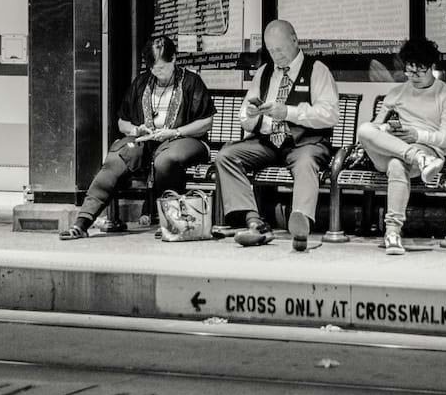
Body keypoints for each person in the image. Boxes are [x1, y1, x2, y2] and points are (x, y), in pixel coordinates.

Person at [61, 37, 216, 240]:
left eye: (162, 68)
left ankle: (170, 220)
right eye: (153, 68)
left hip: (184, 139)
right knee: (116, 158)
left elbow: (206, 122)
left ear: (174, 59)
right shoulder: (142, 83)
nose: (156, 72)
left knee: (166, 160)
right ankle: (82, 222)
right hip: (148, 141)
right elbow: (122, 123)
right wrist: (136, 129)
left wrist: (175, 132)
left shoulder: (191, 82)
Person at [217, 20, 339, 251]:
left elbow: (330, 114)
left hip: (304, 143)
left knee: (305, 164)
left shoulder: (317, 70)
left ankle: (300, 224)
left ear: (294, 40)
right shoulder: (264, 72)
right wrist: (251, 114)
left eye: (280, 49)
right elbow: (245, 115)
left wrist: (289, 112)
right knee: (227, 156)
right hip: (267, 142)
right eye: (271, 50)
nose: (276, 55)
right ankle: (255, 223)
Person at [356, 38, 446, 256]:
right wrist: (386, 128)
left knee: (397, 165)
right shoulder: (396, 93)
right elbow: (375, 127)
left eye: (418, 73)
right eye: (408, 71)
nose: (412, 77)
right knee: (365, 129)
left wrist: (418, 134)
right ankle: (417, 158)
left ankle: (392, 232)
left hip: (426, 149)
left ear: (431, 67)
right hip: (400, 149)